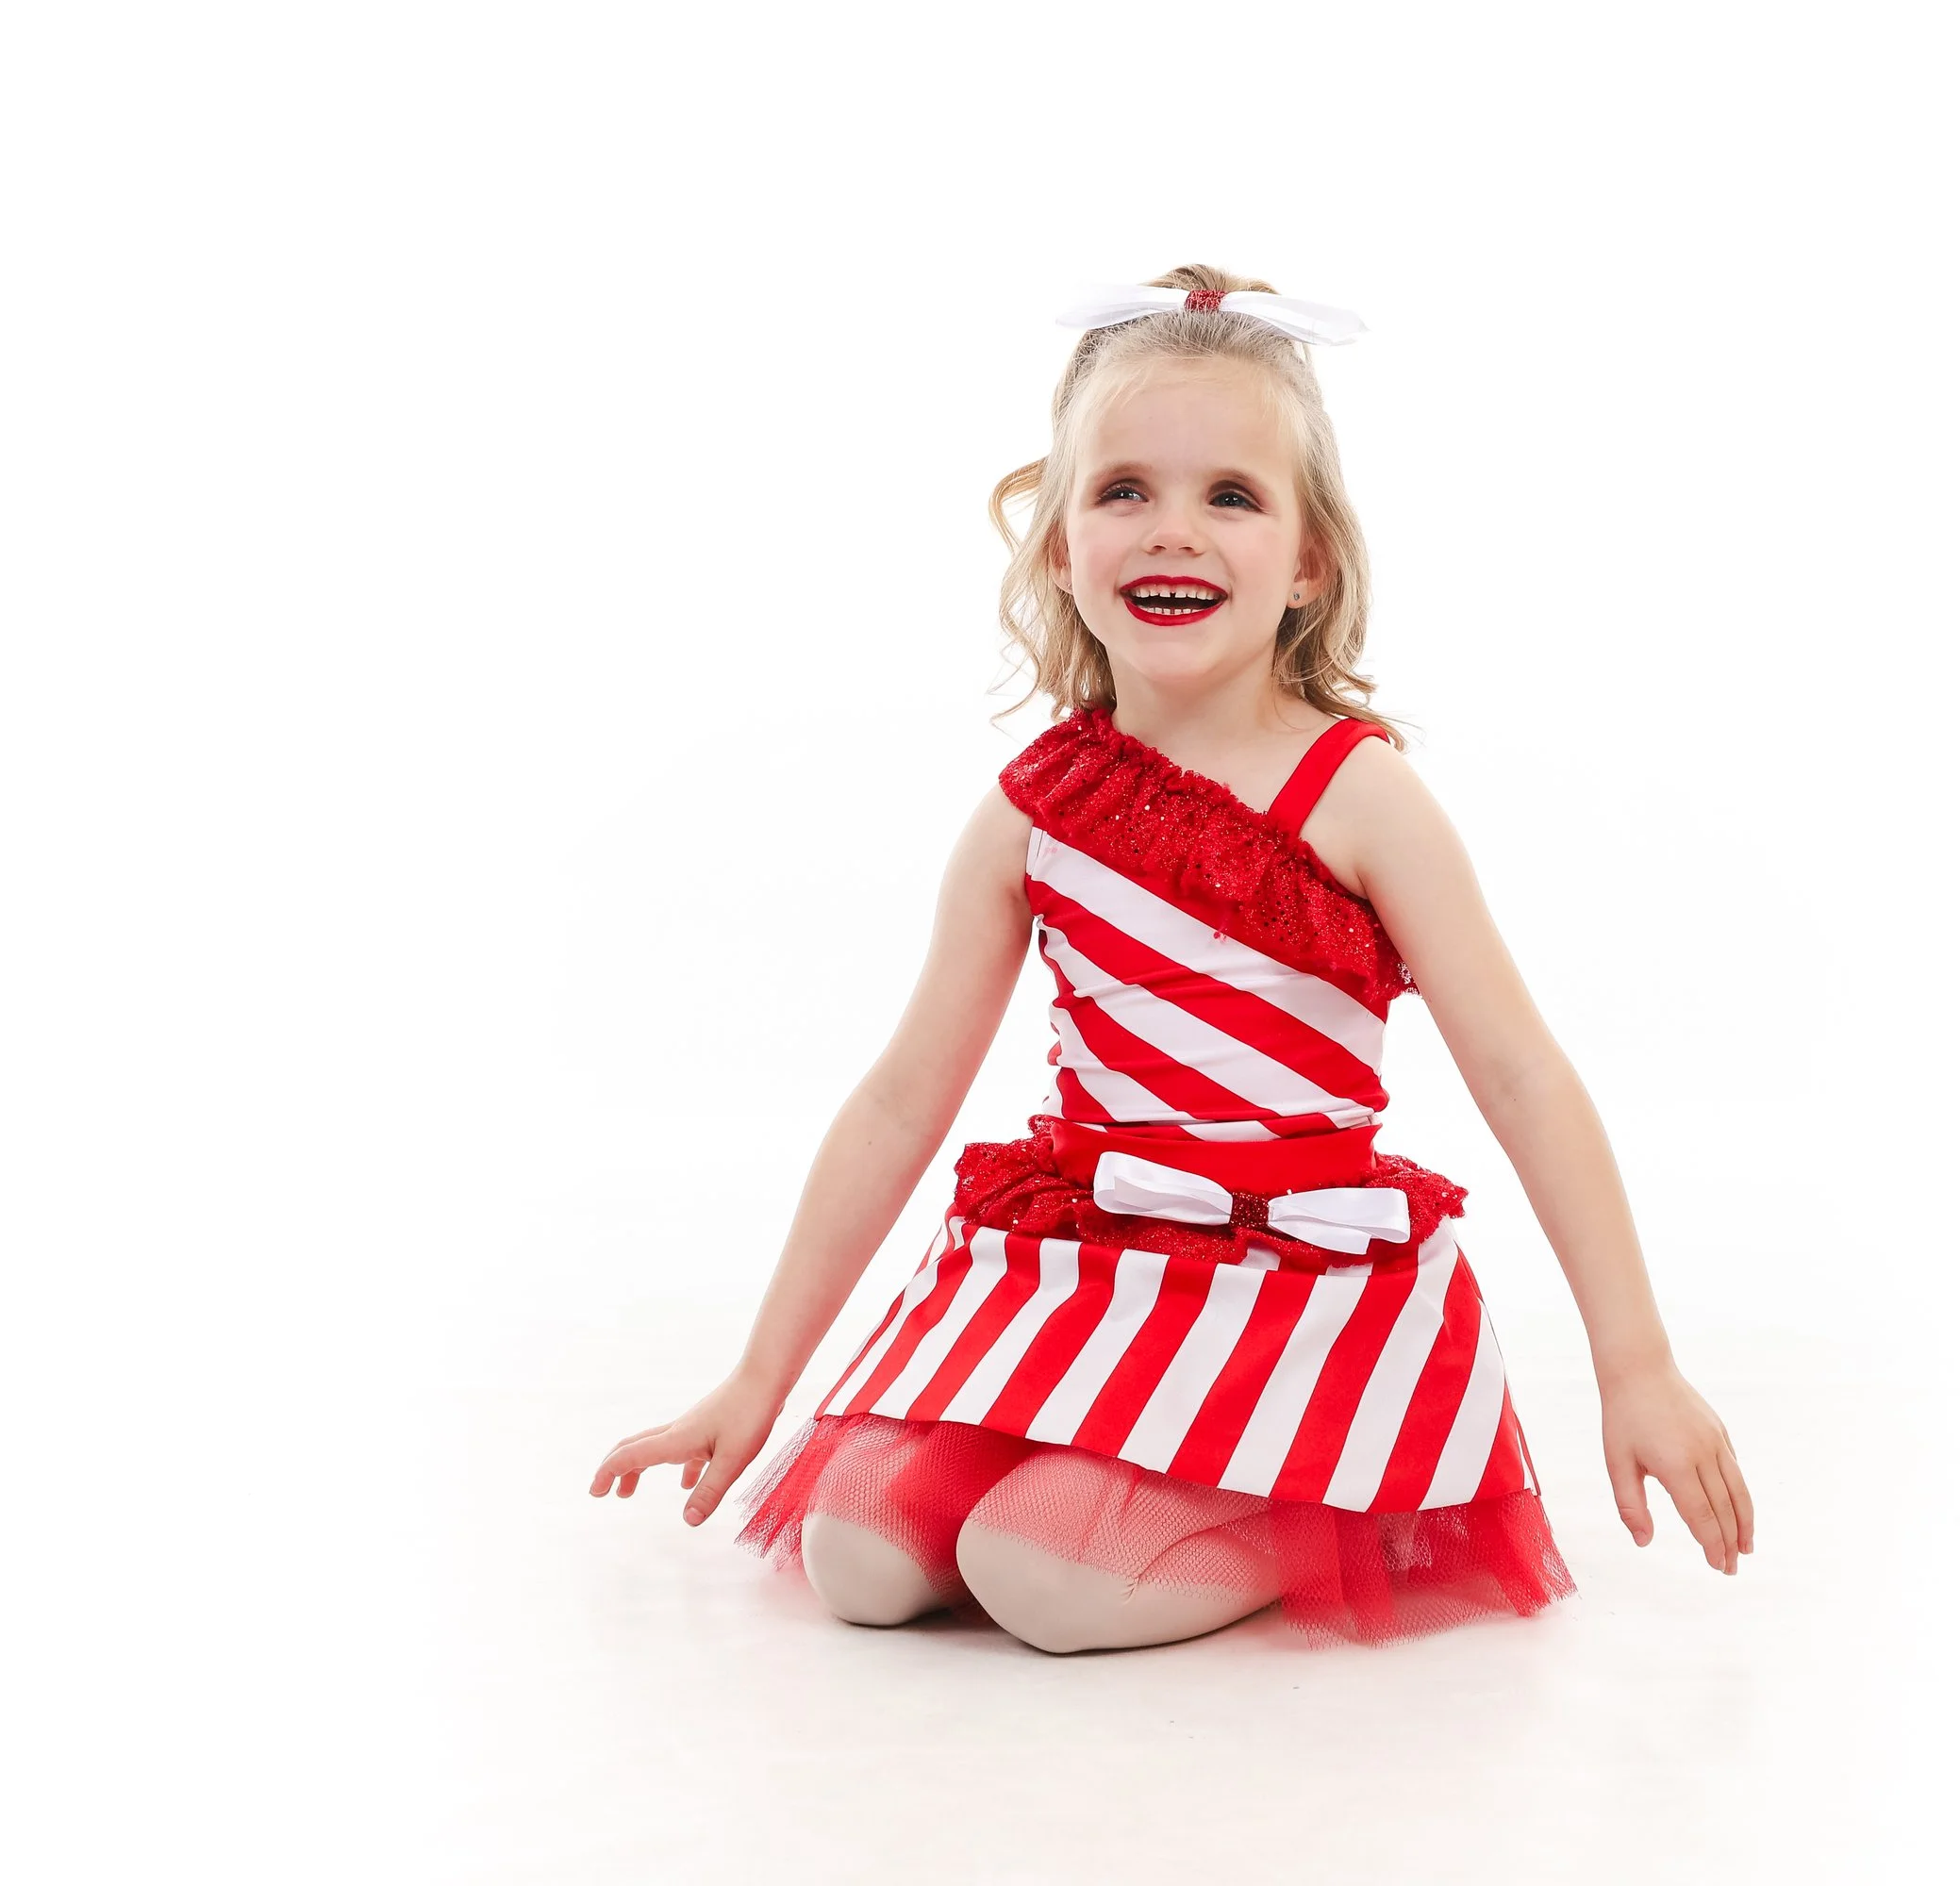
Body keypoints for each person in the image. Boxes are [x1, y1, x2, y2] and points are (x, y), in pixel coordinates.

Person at [589, 264, 1755, 1652]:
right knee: (859, 1556)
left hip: (1286, 1284)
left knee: (1045, 1579)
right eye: (1124, 491)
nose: (1173, 533)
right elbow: (903, 1099)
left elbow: (1521, 1072)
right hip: (1090, 1268)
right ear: (1061, 547)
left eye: (1233, 497)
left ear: (1311, 559)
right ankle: (1094, 1455)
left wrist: (1638, 1364)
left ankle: (1313, 1492)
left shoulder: (1356, 793)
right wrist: (755, 1379)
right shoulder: (1029, 812)